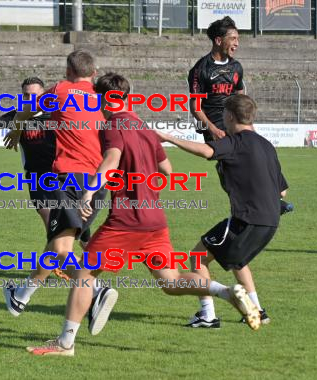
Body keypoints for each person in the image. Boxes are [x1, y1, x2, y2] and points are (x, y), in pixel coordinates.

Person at [26, 74, 261, 357]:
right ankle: (226, 292)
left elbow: (111, 160)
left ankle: (65, 343)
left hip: (126, 221)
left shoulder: (113, 125)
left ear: (104, 99)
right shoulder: (143, 126)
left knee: (84, 274)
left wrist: (89, 192)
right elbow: (167, 171)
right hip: (154, 221)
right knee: (171, 282)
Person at [155, 94, 289, 329]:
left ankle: (207, 315)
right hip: (270, 222)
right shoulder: (266, 145)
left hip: (247, 218)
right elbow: (283, 192)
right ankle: (257, 310)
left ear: (228, 116)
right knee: (237, 259)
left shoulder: (236, 141)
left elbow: (205, 151)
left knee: (198, 256)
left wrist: (167, 137)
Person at [1, 50, 108, 317]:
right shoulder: (104, 99)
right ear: (93, 73)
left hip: (69, 179)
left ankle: (95, 291)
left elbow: (29, 109)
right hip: (99, 183)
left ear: (68, 72)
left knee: (61, 249)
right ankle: (20, 297)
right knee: (57, 242)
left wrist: (16, 128)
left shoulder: (60, 90)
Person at [0, 76, 90, 248]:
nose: (29, 99)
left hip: (62, 176)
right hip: (36, 178)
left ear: (44, 95)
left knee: (80, 232)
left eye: (34, 95)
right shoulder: (18, 115)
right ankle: (62, 261)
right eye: (26, 95)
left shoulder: (57, 114)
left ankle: (85, 262)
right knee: (52, 223)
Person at [188, 16, 243, 142]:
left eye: (238, 39)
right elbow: (195, 107)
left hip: (234, 125)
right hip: (214, 128)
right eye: (233, 39)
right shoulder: (200, 69)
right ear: (218, 40)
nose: (237, 43)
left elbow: (241, 98)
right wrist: (212, 130)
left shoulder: (236, 67)